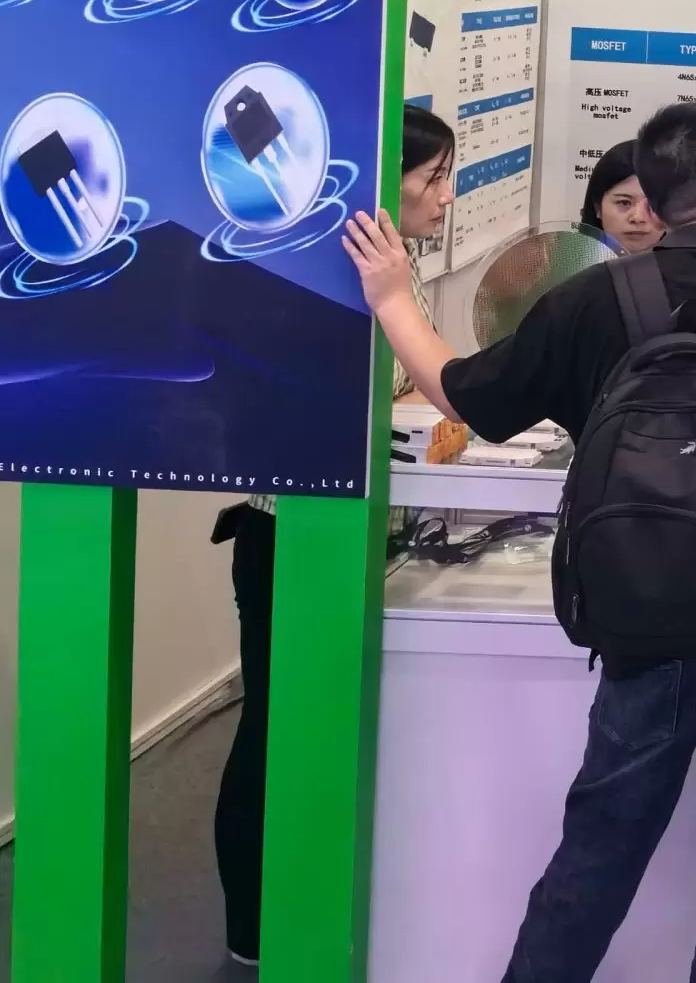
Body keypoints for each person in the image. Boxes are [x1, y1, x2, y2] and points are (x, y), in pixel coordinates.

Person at [343, 100, 696, 983]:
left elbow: (463, 395)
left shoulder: (591, 301)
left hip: (641, 621)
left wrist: (393, 297)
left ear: (654, 204)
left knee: (597, 853)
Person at [216, 105, 453, 966]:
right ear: (388, 180)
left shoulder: (390, 269)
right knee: (273, 725)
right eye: (433, 178)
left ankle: (308, 906)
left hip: (347, 534)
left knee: (315, 723)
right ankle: (251, 928)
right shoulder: (328, 270)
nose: (445, 197)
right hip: (289, 537)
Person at [578, 139, 663, 253]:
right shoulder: (566, 262)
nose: (638, 218)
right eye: (624, 203)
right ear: (598, 207)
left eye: (651, 205)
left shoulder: (688, 264)